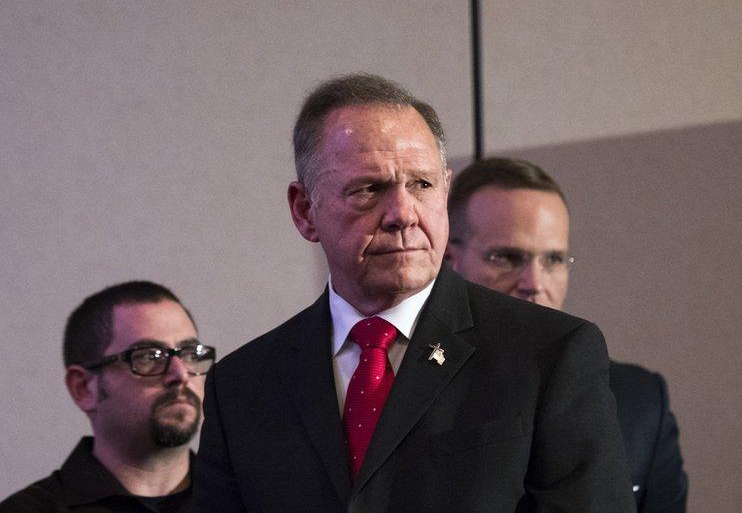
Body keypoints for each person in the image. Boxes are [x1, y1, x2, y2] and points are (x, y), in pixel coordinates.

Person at [192, 74, 635, 512]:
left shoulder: (547, 354)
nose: (403, 214)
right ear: (305, 210)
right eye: (369, 189)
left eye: (421, 185)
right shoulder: (242, 388)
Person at [446, 157, 689, 512]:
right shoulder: (412, 391)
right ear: (450, 260)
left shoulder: (641, 402)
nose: (535, 283)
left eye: (554, 260)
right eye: (507, 258)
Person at [0, 281, 215, 513]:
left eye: (190, 354)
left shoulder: (244, 499)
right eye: (149, 356)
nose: (180, 374)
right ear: (84, 388)